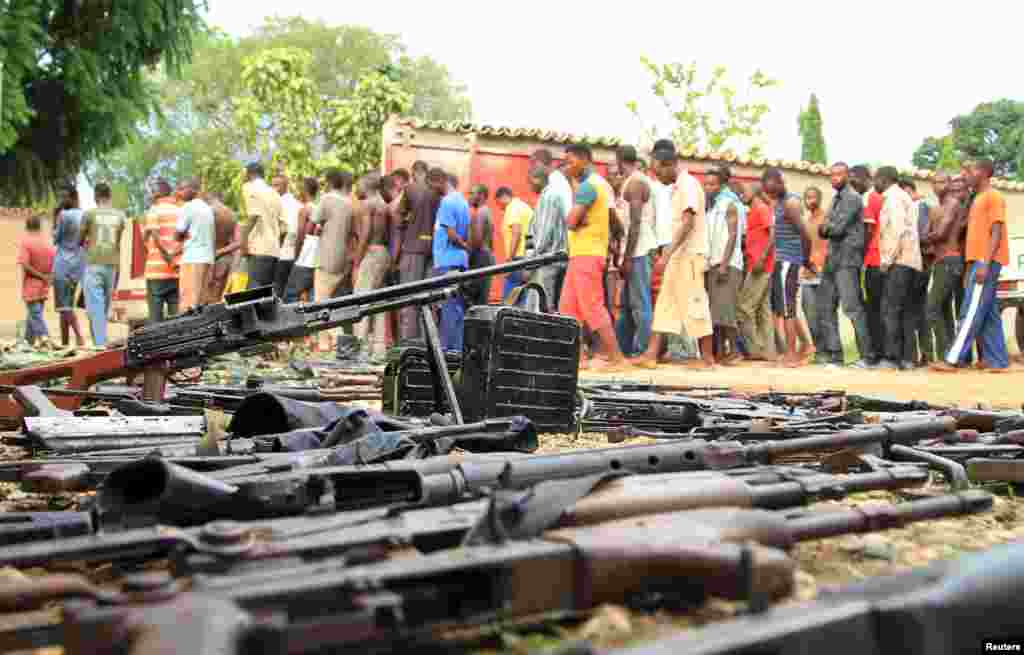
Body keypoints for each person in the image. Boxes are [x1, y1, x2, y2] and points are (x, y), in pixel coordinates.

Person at [635, 140, 713, 370]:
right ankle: (650, 353)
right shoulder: (678, 187)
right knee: (665, 304)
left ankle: (707, 358)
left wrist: (666, 255)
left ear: (668, 164)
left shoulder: (688, 185)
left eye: (657, 170)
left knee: (695, 303)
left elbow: (688, 223)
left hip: (689, 255)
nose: (655, 175)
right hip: (678, 255)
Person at [932, 159, 1011, 373]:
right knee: (989, 312)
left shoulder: (993, 197)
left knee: (970, 310)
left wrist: (984, 262)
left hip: (986, 261)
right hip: (977, 261)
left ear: (984, 173)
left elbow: (996, 230)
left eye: (969, 170)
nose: (965, 174)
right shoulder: (978, 198)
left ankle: (952, 359)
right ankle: (998, 361)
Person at [556, 144, 629, 371]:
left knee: (592, 306)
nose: (566, 167)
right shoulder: (601, 184)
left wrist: (578, 220)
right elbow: (613, 220)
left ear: (585, 160)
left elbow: (570, 221)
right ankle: (577, 358)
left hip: (586, 254)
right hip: (586, 253)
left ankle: (617, 358)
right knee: (568, 307)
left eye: (570, 162)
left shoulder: (587, 187)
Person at [818, 162, 874, 368]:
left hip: (847, 260)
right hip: (833, 259)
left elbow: (837, 228)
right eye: (832, 175)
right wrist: (826, 227)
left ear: (847, 176)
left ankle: (866, 356)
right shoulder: (835, 199)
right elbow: (822, 229)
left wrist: (826, 227)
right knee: (825, 306)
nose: (835, 178)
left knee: (852, 308)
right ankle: (835, 355)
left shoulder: (852, 198)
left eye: (839, 175)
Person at [873, 166, 921, 370]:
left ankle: (892, 358)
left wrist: (886, 260)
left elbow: (898, 231)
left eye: (876, 178)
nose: (874, 182)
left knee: (889, 309)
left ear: (884, 179)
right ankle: (907, 358)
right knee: (905, 311)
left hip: (899, 261)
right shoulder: (903, 197)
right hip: (910, 261)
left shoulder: (893, 198)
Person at [764, 168, 812, 367]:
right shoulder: (778, 203)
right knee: (785, 308)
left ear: (781, 183)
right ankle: (800, 348)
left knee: (788, 309)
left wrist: (805, 260)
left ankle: (792, 354)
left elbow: (806, 235)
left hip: (788, 261)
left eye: (774, 188)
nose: (771, 192)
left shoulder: (791, 204)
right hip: (782, 260)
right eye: (769, 190)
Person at [613, 145, 658, 358]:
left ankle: (642, 351)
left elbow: (636, 224)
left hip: (639, 252)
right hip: (632, 252)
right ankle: (625, 350)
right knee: (628, 306)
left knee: (640, 304)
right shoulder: (630, 183)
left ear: (620, 160)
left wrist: (628, 258)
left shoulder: (637, 183)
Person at [78, 182, 128, 346]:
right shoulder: (120, 216)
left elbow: (79, 239)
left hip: (93, 263)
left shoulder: (89, 214)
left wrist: (85, 242)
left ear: (95, 196)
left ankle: (99, 344)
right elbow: (118, 242)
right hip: (112, 265)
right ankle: (98, 341)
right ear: (110, 196)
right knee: (103, 308)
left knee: (95, 308)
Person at [925, 174, 967, 367]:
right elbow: (931, 235)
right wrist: (928, 237)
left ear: (949, 185)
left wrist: (924, 237)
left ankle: (946, 355)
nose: (937, 185)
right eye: (934, 182)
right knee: (942, 309)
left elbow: (940, 233)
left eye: (942, 181)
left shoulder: (952, 204)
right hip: (940, 261)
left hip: (950, 260)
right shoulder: (935, 208)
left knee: (932, 308)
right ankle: (951, 357)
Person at [396, 161, 440, 341]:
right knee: (428, 300)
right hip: (433, 250)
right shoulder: (437, 192)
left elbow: (399, 217)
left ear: (413, 173)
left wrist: (407, 221)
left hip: (413, 248)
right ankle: (427, 341)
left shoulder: (410, 189)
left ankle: (409, 343)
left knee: (410, 299)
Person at [703, 168, 743, 365]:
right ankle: (719, 352)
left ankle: (735, 352)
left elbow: (733, 235)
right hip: (713, 263)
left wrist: (724, 264)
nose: (708, 187)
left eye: (712, 184)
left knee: (726, 310)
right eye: (706, 184)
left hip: (727, 264)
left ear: (721, 185)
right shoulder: (710, 207)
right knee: (715, 312)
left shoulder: (729, 205)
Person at [429, 168, 471, 351]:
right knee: (456, 308)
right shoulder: (462, 201)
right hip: (458, 261)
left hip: (447, 261)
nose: (432, 189)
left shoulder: (447, 202)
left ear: (439, 180)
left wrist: (461, 244)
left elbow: (451, 234)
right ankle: (458, 348)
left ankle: (448, 351)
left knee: (448, 308)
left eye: (432, 185)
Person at [351, 173, 392, 360]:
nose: (356, 188)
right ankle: (379, 348)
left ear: (366, 185)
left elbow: (366, 233)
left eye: (357, 184)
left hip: (372, 252)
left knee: (362, 300)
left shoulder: (368, 204)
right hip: (384, 252)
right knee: (379, 301)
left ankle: (359, 347)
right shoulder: (384, 204)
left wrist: (357, 261)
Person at [314, 169, 355, 351]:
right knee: (335, 301)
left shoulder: (327, 199)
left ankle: (327, 342)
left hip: (326, 256)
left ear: (330, 182)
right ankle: (340, 338)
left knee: (321, 302)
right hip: (343, 257)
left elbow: (315, 219)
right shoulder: (349, 203)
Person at [736, 183, 776, 362]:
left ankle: (754, 349)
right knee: (762, 309)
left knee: (744, 308)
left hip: (760, 266)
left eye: (744, 191)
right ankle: (769, 351)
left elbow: (773, 234)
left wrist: (762, 258)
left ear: (755, 192)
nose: (741, 194)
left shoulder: (761, 208)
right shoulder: (752, 211)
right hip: (757, 263)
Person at [523, 165, 569, 312]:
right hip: (546, 260)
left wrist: (529, 264)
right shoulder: (548, 195)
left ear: (536, 180)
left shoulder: (550, 195)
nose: (530, 187)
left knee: (544, 308)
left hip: (547, 262)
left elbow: (543, 234)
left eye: (530, 182)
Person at [851, 165, 885, 356]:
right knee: (879, 308)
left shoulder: (868, 198)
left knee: (872, 309)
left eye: (853, 178)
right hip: (881, 259)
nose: (851, 183)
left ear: (865, 178)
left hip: (873, 260)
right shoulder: (879, 196)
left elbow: (869, 231)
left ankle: (873, 354)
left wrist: (859, 256)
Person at [240, 162, 285, 291]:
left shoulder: (249, 187)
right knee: (265, 294)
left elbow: (253, 216)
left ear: (248, 174)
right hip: (274, 251)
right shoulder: (274, 193)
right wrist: (276, 245)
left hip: (257, 250)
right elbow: (284, 228)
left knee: (252, 295)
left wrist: (243, 242)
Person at [143, 179, 183, 324]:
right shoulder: (181, 211)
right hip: (177, 271)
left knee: (155, 319)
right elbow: (186, 240)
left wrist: (167, 258)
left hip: (156, 272)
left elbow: (154, 237)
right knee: (177, 319)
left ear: (156, 193)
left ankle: (157, 346)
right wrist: (175, 258)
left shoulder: (154, 210)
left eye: (152, 192)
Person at [52, 187, 87, 346]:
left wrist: (55, 219)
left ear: (72, 197)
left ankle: (80, 337)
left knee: (64, 307)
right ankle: (65, 343)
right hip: (78, 265)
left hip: (63, 265)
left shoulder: (64, 215)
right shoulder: (84, 215)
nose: (61, 199)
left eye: (63, 196)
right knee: (65, 306)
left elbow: (55, 238)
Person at [175, 178, 216, 312]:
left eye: (182, 189)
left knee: (188, 304)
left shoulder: (188, 207)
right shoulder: (207, 208)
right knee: (202, 302)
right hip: (207, 258)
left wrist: (182, 235)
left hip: (192, 258)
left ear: (192, 190)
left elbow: (178, 234)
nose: (179, 193)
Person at [18, 214, 56, 346]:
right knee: (33, 317)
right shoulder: (48, 243)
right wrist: (48, 277)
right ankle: (28, 343)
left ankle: (46, 338)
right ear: (39, 226)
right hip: (44, 286)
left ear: (27, 226)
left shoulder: (26, 242)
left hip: (32, 285)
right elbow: (53, 262)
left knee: (35, 316)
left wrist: (40, 276)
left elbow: (25, 264)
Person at [284, 177, 320, 303]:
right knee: (311, 296)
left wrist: (296, 256)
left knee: (290, 295)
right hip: (316, 259)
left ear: (304, 191)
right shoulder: (318, 208)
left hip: (304, 258)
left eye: (300, 189)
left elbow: (301, 235)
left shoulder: (304, 210)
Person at [496, 187, 535, 301]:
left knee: (509, 300)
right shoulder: (524, 207)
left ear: (503, 197)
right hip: (528, 257)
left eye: (499, 203)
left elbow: (516, 232)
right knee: (522, 297)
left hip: (518, 258)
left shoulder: (513, 207)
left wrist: (509, 259)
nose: (500, 207)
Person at [205, 192, 240, 304]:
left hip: (210, 262)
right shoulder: (231, 214)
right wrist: (221, 252)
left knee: (209, 300)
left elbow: (207, 240)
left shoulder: (209, 212)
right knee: (220, 299)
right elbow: (239, 242)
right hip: (226, 260)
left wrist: (210, 266)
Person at [273, 174, 302, 299]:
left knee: (278, 291)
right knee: (290, 292)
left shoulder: (280, 204)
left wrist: (275, 248)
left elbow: (283, 230)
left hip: (282, 254)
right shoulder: (298, 204)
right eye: (272, 185)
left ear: (285, 186)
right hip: (295, 254)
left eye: (276, 185)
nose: (273, 189)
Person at [465, 184, 496, 307]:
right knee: (482, 297)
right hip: (486, 256)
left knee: (477, 300)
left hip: (481, 257)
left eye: (472, 193)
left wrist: (469, 255)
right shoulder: (487, 211)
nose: (470, 197)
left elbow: (477, 239)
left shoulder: (480, 213)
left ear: (481, 196)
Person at [529, 149, 573, 222]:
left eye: (533, 164)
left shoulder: (556, 182)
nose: (532, 168)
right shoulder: (551, 180)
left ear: (539, 163)